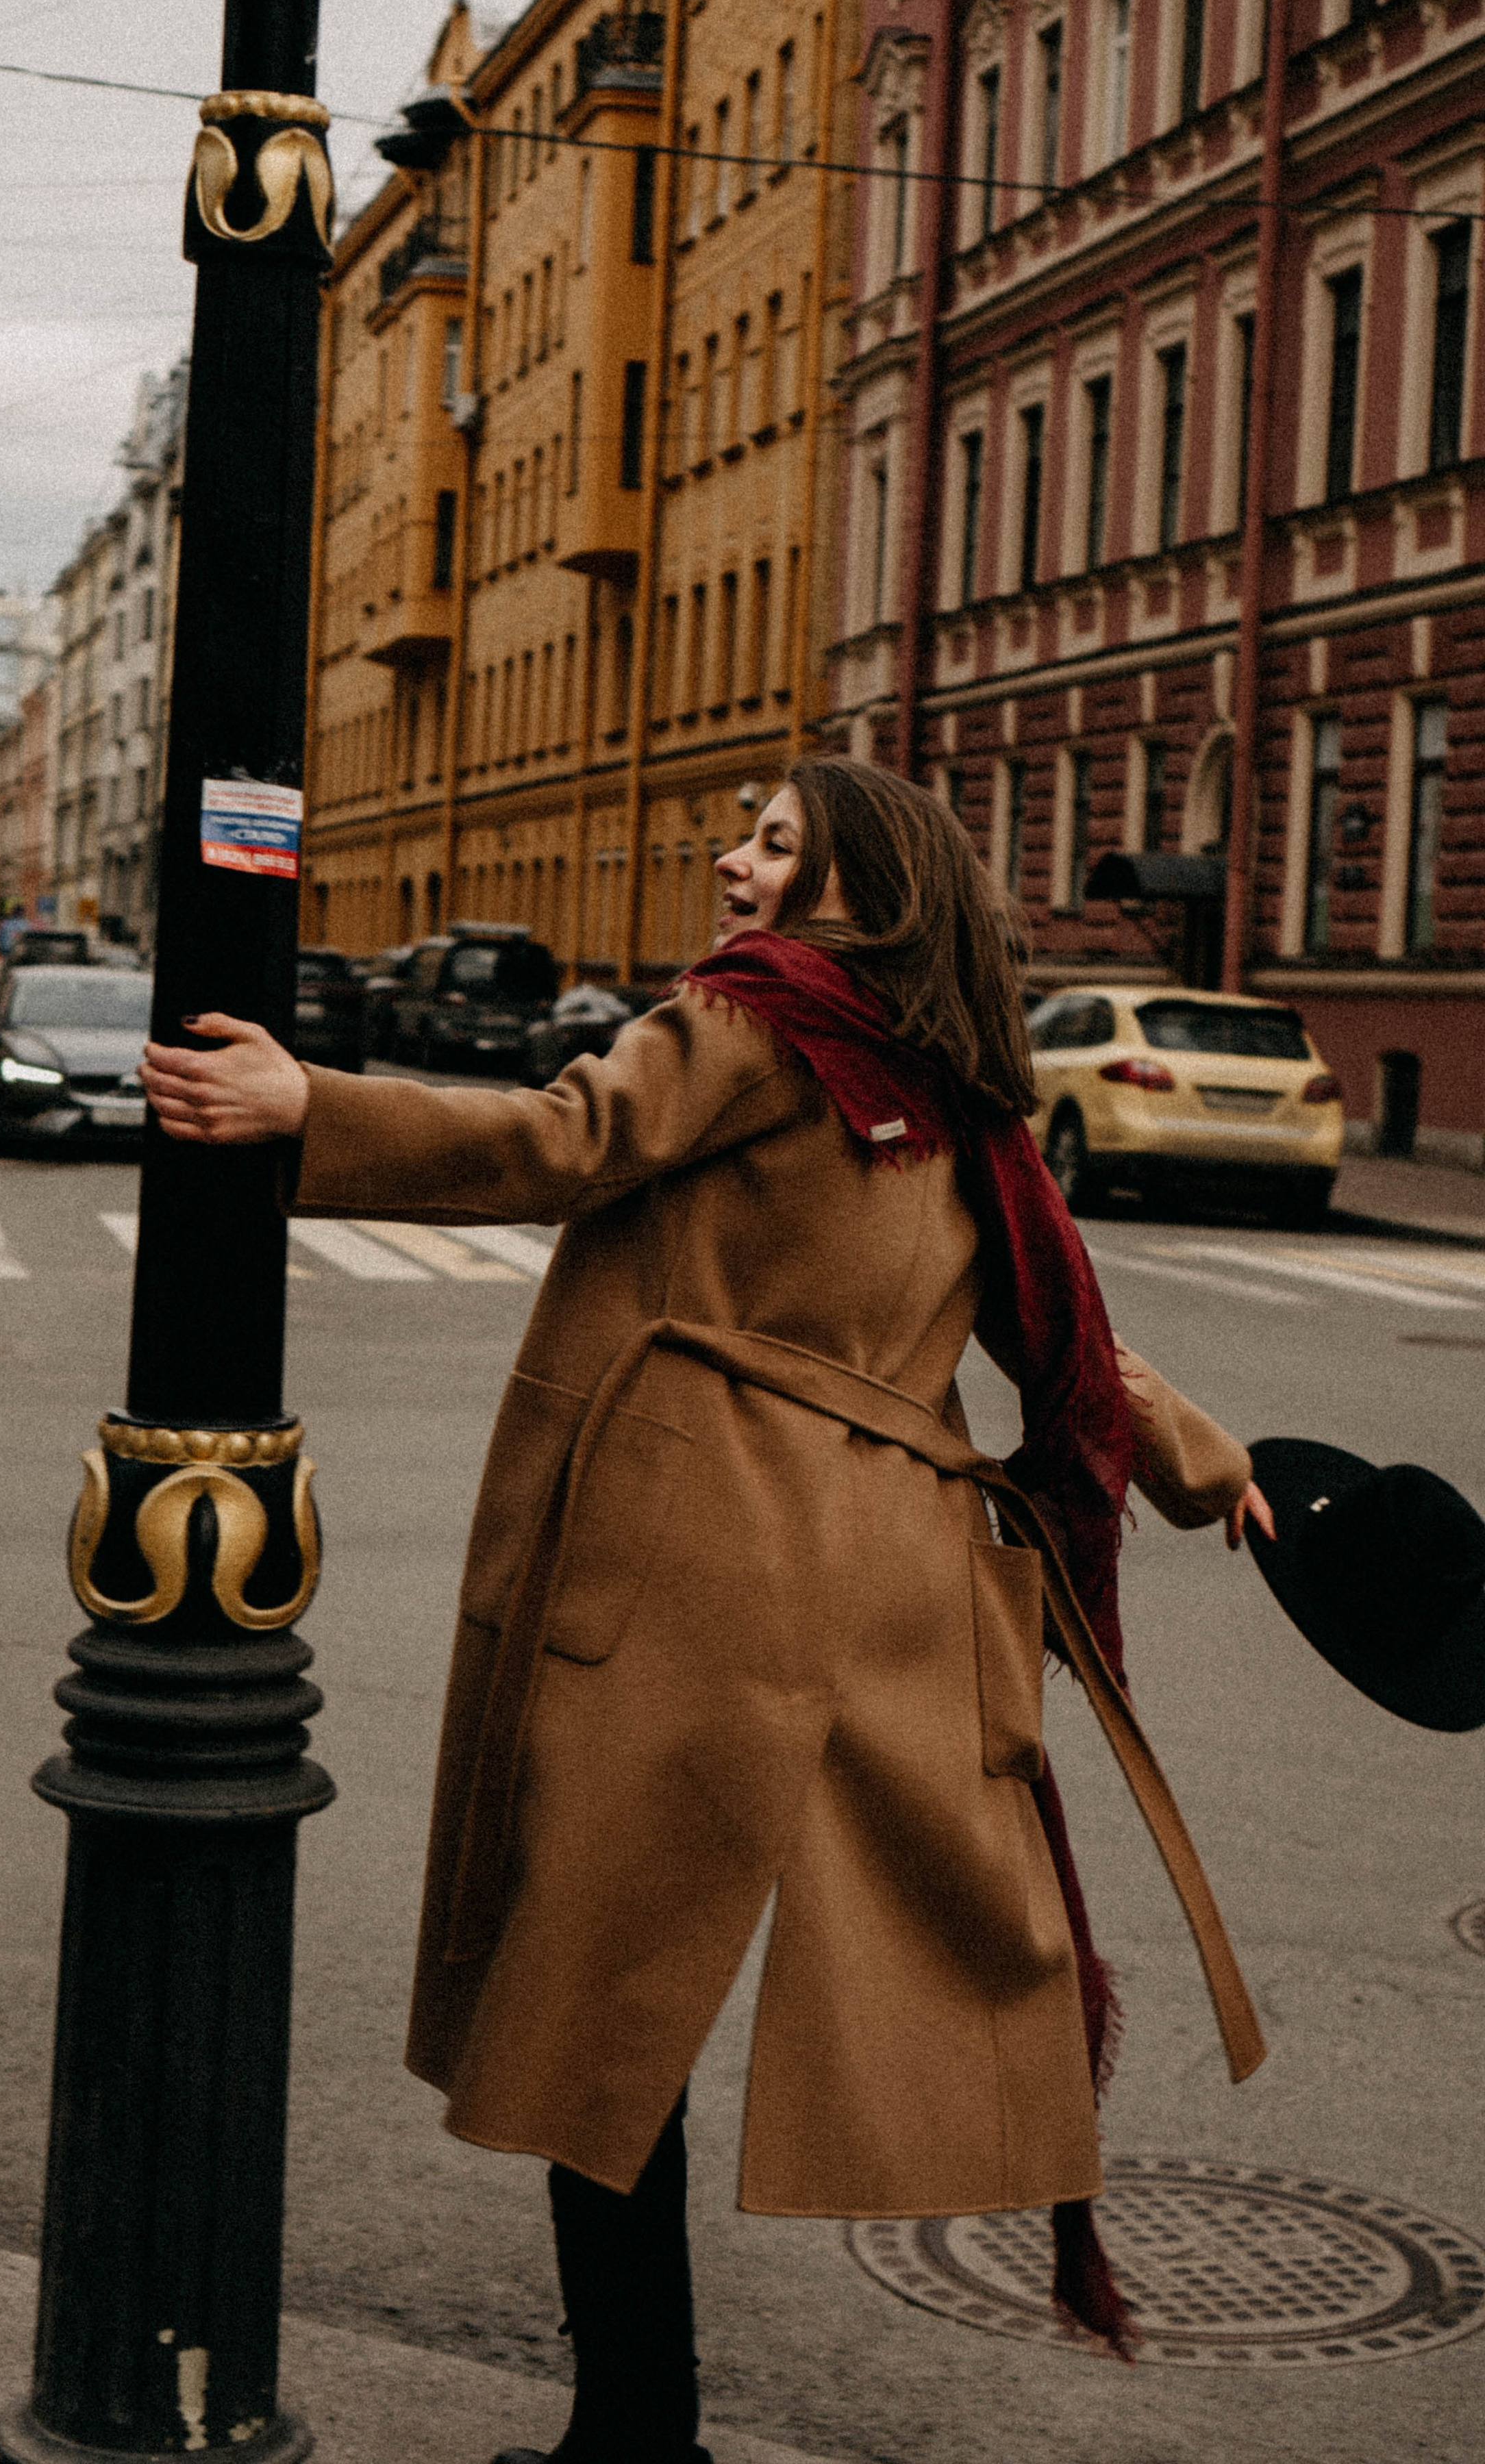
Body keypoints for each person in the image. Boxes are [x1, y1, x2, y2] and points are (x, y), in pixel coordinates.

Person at [142, 757, 1273, 2463]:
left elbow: (562, 1140)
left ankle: (637, 2435)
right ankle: (638, 2428)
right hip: (881, 1577)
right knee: (701, 1990)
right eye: (743, 837)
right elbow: (1064, 1343)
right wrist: (1211, 1467)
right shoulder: (953, 1086)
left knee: (594, 2009)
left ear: (860, 893)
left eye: (773, 846)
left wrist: (313, 1107)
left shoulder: (754, 1024)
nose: (729, 864)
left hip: (687, 1565)